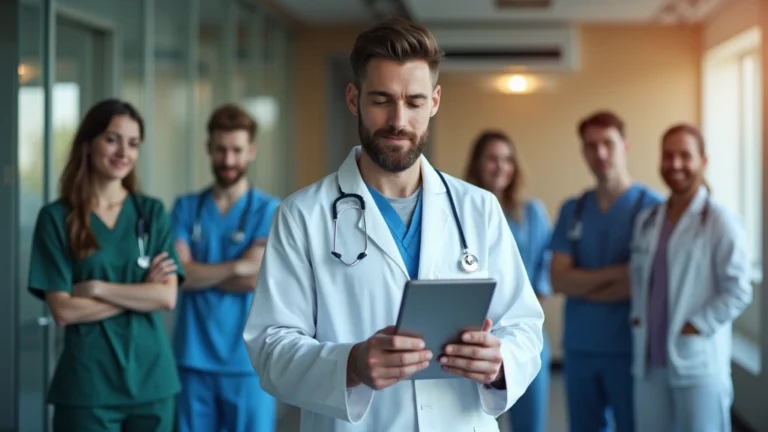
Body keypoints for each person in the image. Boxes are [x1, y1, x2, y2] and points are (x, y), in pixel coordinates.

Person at [242, 17, 544, 432]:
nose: (398, 120)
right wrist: (349, 365)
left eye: (415, 102)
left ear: (435, 101)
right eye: (382, 100)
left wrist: (499, 362)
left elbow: (523, 325)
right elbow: (270, 347)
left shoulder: (479, 209)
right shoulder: (303, 215)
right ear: (354, 98)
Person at [27, 98, 183, 431]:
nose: (123, 152)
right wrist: (140, 293)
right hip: (87, 385)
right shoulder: (56, 219)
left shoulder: (151, 213)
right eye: (112, 139)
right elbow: (63, 311)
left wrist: (97, 288)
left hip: (152, 382)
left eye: (133, 143)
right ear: (88, 143)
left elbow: (166, 298)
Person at [629, 124, 752, 431]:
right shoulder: (648, 220)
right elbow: (641, 280)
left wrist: (695, 326)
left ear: (703, 161)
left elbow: (738, 289)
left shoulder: (720, 220)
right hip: (649, 359)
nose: (675, 164)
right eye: (668, 156)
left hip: (697, 361)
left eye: (685, 155)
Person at [549, 111, 663, 432]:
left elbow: (644, 284)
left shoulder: (652, 208)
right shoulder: (574, 209)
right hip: (580, 347)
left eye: (608, 144)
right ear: (583, 151)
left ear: (625, 146)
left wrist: (581, 281)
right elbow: (558, 279)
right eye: (591, 146)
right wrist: (620, 272)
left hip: (629, 348)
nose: (600, 154)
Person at [170, 104, 280, 432]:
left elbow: (254, 281)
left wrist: (198, 271)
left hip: (247, 362)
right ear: (208, 148)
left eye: (236, 150)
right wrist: (238, 266)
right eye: (221, 150)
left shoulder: (269, 210)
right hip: (193, 359)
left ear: (251, 151)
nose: (228, 161)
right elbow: (178, 276)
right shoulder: (186, 208)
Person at [464, 130, 552, 432]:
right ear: (477, 163)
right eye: (492, 159)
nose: (500, 166)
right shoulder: (460, 214)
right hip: (475, 335)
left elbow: (544, 267)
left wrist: (522, 310)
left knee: (531, 422)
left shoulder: (532, 214)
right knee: (481, 419)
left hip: (524, 332)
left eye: (507, 159)